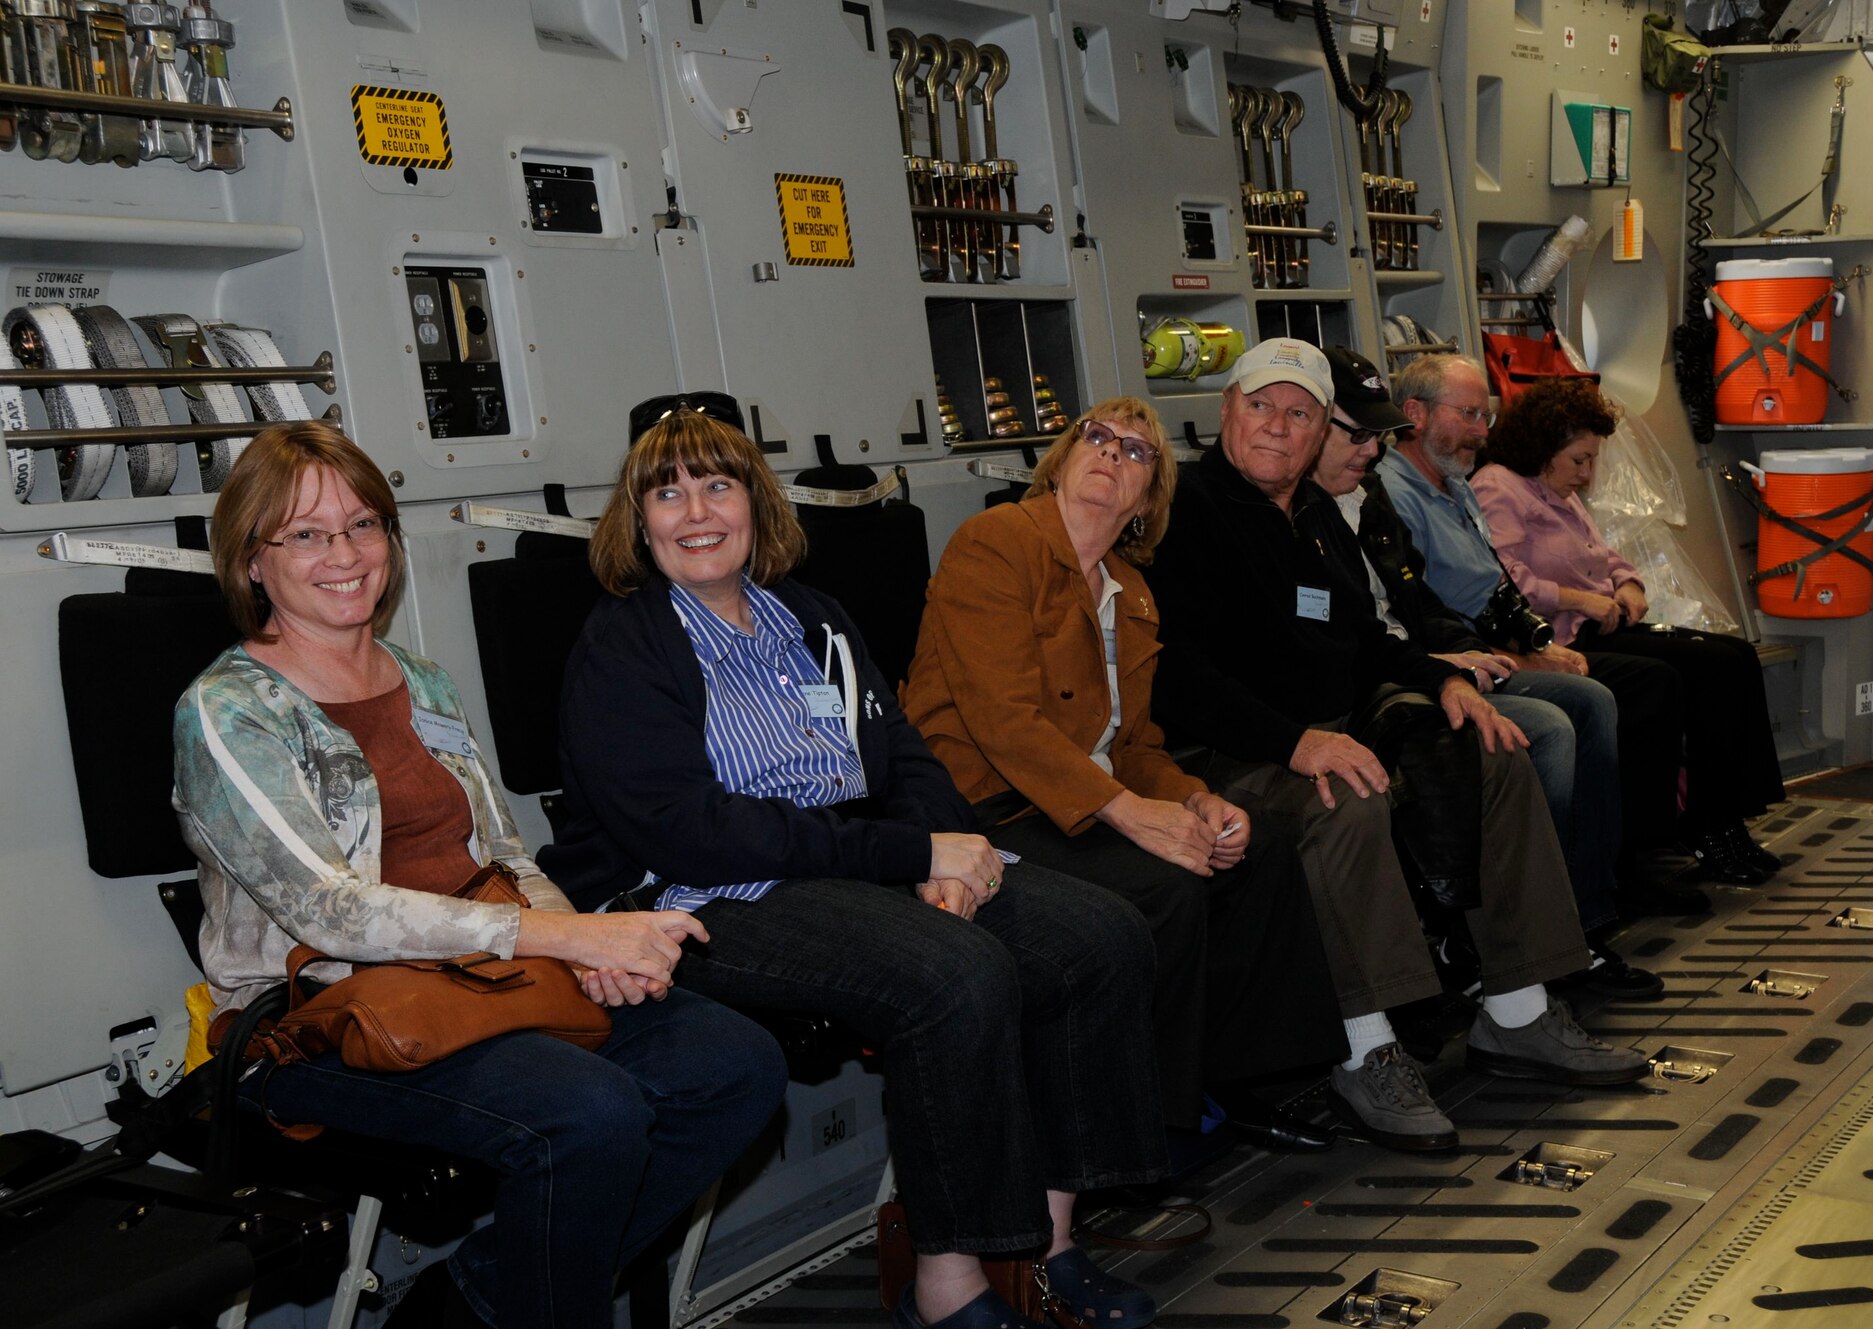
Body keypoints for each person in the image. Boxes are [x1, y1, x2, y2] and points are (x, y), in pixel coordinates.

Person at [539, 404, 1169, 1329]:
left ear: (757, 501)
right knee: (954, 974)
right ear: (637, 521)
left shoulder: (809, 615)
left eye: (718, 483)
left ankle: (1050, 1245)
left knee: (1099, 936)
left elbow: (903, 747)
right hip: (719, 897)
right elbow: (693, 833)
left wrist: (942, 855)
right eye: (666, 492)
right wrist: (910, 851)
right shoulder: (624, 645)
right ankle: (947, 1285)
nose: (696, 510)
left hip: (859, 857)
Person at [173, 421, 788, 1329]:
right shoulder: (226, 711)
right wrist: (563, 935)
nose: (343, 553)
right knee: (593, 1115)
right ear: (252, 562)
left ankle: (479, 1300)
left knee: (735, 1065)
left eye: (363, 525)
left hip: (477, 977)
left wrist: (582, 951)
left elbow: (503, 855)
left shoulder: (421, 681)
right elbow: (332, 911)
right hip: (316, 1019)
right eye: (305, 534)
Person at [1146, 337, 1650, 1155]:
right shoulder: (1188, 513)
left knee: (1495, 749)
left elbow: (1363, 637)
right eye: (1260, 406)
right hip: (1223, 753)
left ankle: (1517, 1012)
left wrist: (1444, 683)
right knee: (1345, 797)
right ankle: (1366, 1046)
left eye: (1299, 414)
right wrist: (1295, 741)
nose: (1278, 427)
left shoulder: (1311, 517)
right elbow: (1178, 676)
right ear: (1226, 411)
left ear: (1316, 436)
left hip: (1330, 729)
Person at [902, 396, 1344, 1153]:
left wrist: (1196, 801)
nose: (1111, 453)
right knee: (1165, 888)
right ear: (1062, 460)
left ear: (1148, 500)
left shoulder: (1130, 592)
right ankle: (1140, 1134)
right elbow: (1004, 722)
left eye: (1137, 451)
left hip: (1084, 798)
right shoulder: (995, 542)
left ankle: (1237, 1084)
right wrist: (1131, 814)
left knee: (1256, 850)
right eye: (1095, 437)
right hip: (990, 806)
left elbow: (1134, 742)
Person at [1297, 348, 1660, 1000]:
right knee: (1547, 727)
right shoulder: (1327, 509)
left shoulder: (1374, 499)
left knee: (1593, 701)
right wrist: (1454, 667)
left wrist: (1490, 653)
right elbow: (1363, 634)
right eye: (1469, 413)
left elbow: (1426, 602)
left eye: (1373, 439)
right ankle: (1510, 940)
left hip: (1434, 661)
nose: (1370, 452)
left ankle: (1584, 914)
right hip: (1391, 685)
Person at [1381, 354, 1724, 898]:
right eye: (1466, 415)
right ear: (1415, 414)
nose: (1478, 432)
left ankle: (1614, 879)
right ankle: (1588, 891)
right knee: (1581, 707)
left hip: (1496, 641)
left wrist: (1536, 642)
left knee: (1698, 664)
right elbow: (1427, 610)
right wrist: (1526, 653)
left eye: (1483, 417)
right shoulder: (1398, 495)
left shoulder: (1459, 488)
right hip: (1456, 661)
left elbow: (1497, 588)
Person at [1471, 377, 1786, 881]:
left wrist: (1628, 583)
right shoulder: (1498, 488)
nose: (1588, 473)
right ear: (1544, 449)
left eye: (1592, 460)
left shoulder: (1562, 492)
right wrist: (1585, 601)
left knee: (1732, 658)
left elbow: (1604, 553)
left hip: (1599, 624)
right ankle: (1650, 846)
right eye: (1579, 460)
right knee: (1663, 682)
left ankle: (1722, 821)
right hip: (1557, 639)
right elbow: (1506, 582)